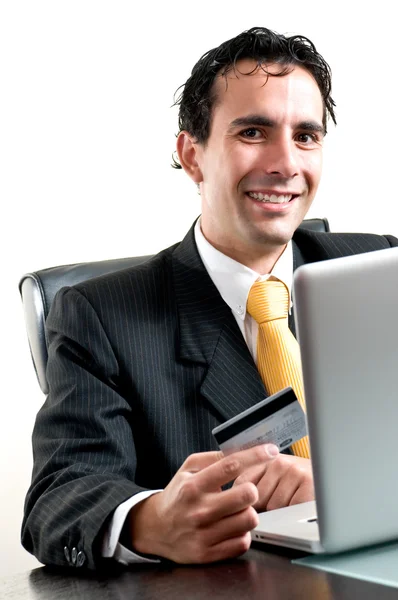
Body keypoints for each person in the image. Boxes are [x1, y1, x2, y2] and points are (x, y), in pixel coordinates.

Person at [21, 26, 398, 570]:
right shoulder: (100, 316)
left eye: (306, 136)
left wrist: (347, 485)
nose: (286, 163)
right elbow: (59, 499)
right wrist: (153, 522)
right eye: (253, 131)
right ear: (191, 155)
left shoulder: (378, 264)